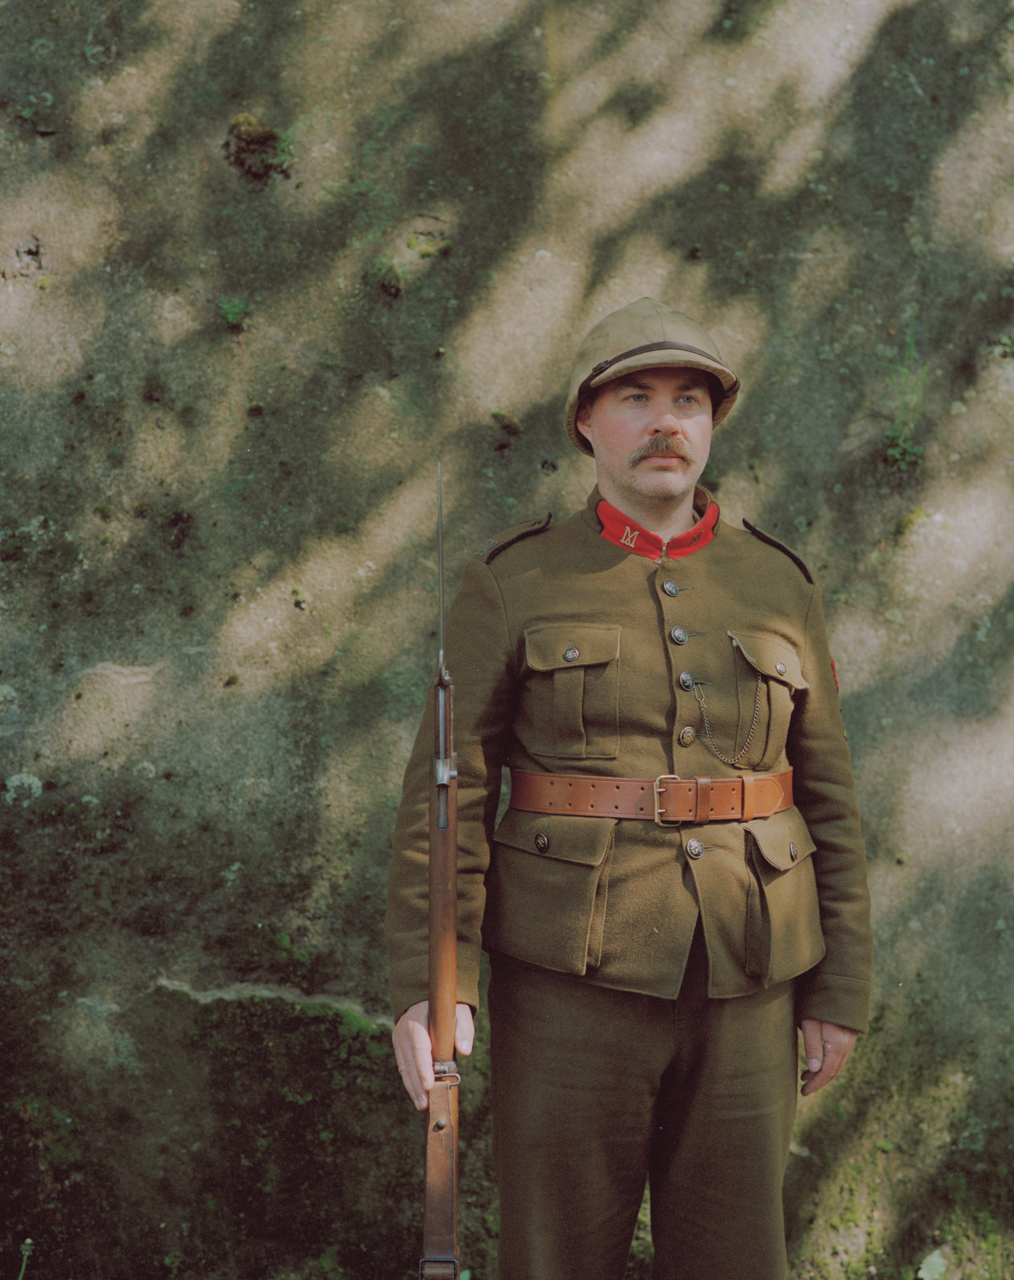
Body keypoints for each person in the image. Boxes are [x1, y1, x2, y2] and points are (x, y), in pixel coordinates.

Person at [386, 296, 872, 1280]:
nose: (665, 422)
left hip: (750, 981)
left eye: (689, 400)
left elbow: (825, 795)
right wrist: (435, 983)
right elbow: (450, 793)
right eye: (635, 397)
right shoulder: (513, 580)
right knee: (556, 1256)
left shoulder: (779, 582)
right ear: (585, 421)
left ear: (712, 422)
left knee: (738, 1261)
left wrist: (840, 988)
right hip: (569, 984)